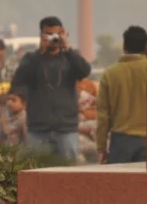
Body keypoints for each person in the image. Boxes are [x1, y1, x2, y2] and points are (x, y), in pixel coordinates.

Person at [10, 16, 92, 162]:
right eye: (48, 34)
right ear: (41, 36)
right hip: (38, 129)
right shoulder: (31, 58)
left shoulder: (70, 58)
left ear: (62, 34)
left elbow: (85, 71)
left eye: (56, 34)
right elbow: (19, 80)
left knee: (68, 172)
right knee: (38, 171)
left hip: (66, 128)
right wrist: (40, 53)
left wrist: (67, 48)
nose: (53, 39)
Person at [96, 26, 147, 163]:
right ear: (146, 47)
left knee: (121, 177)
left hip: (121, 141)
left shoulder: (109, 74)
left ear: (124, 46)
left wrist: (101, 147)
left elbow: (103, 114)